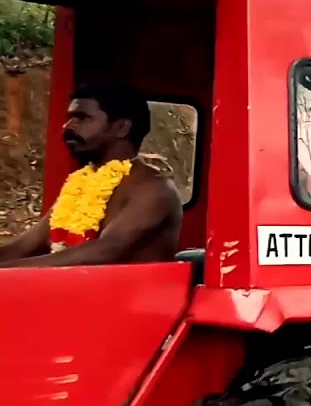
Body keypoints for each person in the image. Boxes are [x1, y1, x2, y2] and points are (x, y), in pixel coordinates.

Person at [0, 83, 182, 268]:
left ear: (121, 127)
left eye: (82, 118)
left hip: (133, 296)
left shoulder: (154, 188)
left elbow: (107, 250)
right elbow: (23, 247)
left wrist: (6, 271)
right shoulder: (81, 184)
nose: (68, 125)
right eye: (70, 118)